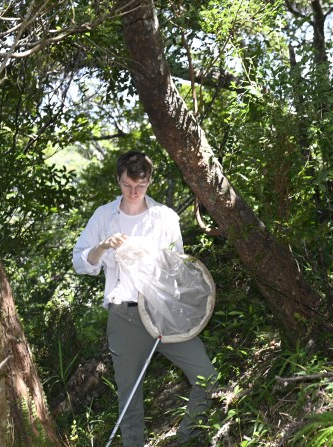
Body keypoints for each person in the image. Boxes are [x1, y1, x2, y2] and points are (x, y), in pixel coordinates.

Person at [73, 151, 217, 446]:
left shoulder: (165, 217)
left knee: (206, 376)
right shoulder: (103, 216)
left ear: (149, 181)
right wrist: (102, 246)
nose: (134, 192)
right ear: (119, 180)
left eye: (140, 186)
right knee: (129, 400)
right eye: (127, 185)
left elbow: (179, 267)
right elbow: (80, 262)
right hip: (123, 316)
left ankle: (186, 438)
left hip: (164, 313)